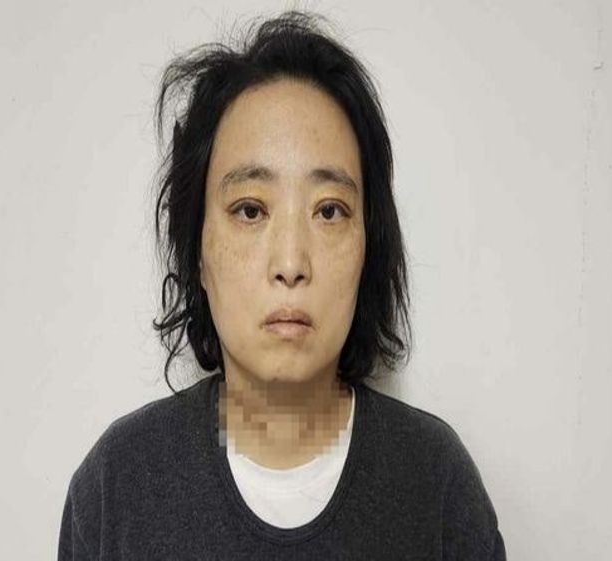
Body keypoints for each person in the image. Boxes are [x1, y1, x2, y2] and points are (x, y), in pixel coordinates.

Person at [58, 10, 506, 560]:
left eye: (329, 211)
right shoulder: (116, 485)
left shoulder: (436, 483)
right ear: (196, 248)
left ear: (369, 247)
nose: (291, 263)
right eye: (250, 210)